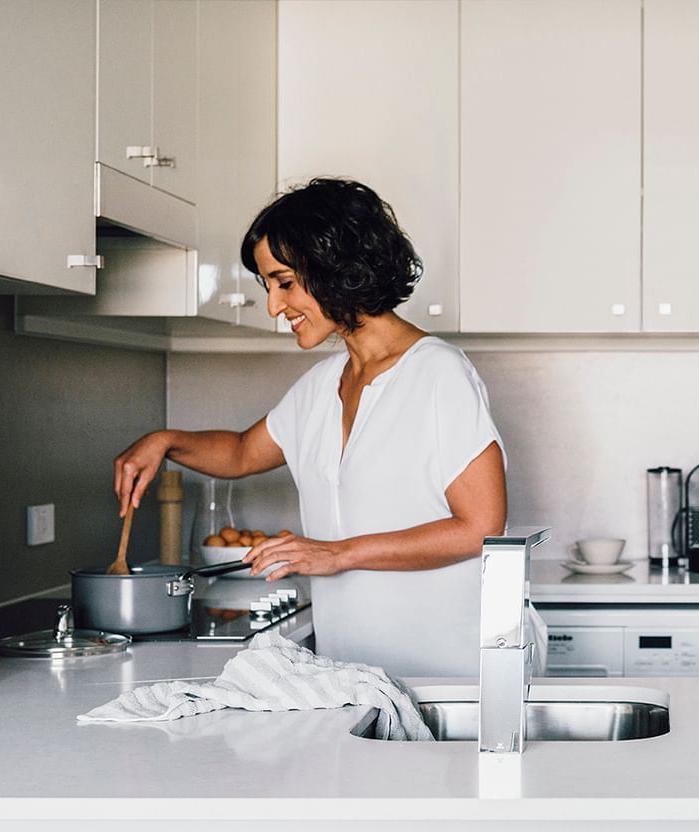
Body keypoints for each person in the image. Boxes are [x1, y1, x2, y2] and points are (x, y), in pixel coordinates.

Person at [113, 178, 507, 677]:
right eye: (268, 287)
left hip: (451, 676)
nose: (275, 307)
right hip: (357, 677)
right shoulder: (321, 386)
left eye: (284, 282)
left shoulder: (438, 373)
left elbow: (481, 528)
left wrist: (336, 554)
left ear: (335, 267)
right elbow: (239, 453)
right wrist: (164, 440)